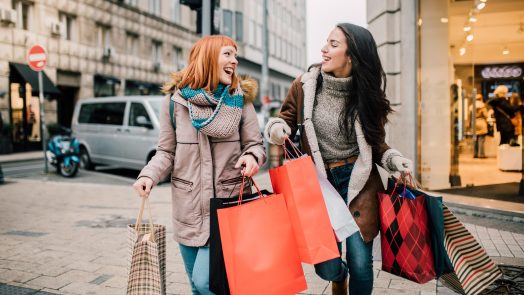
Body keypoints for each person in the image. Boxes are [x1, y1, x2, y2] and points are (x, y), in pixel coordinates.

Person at [264, 23, 412, 295]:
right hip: (318, 183)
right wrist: (276, 129)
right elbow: (283, 119)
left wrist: (394, 159)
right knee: (326, 264)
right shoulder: (304, 86)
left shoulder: (366, 94)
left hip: (359, 184)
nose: (324, 49)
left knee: (360, 263)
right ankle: (337, 277)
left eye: (333, 44)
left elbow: (377, 143)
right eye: (326, 42)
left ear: (352, 55)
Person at [133, 35, 266, 295]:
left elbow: (255, 145)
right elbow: (166, 151)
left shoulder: (241, 100)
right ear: (208, 57)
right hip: (188, 209)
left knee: (207, 283)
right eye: (228, 54)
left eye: (235, 55)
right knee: (196, 285)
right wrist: (148, 175)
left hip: (227, 207)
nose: (235, 61)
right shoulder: (175, 102)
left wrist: (251, 157)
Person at [469, 94, 489, 158]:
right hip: (481, 122)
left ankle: (475, 154)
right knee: (481, 139)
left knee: (474, 139)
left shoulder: (471, 106)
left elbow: (469, 117)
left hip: (474, 123)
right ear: (481, 98)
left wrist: (469, 124)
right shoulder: (482, 106)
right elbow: (486, 115)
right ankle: (481, 154)